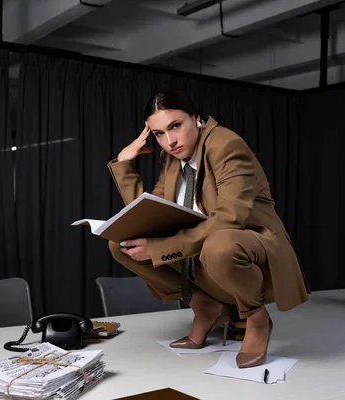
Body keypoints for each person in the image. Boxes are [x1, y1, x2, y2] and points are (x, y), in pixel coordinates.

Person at [106, 90, 310, 369]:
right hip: (201, 246)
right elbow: (152, 213)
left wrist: (163, 248)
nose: (170, 141)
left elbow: (230, 217)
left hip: (249, 241)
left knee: (220, 244)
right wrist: (124, 164)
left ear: (196, 118)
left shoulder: (227, 144)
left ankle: (256, 318)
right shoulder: (172, 157)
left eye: (175, 126)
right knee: (121, 244)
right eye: (159, 134)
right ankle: (203, 305)